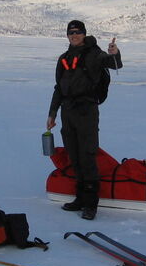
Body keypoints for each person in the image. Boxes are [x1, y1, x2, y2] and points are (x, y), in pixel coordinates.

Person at [46, 19, 122, 220]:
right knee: (74, 155)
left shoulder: (94, 54)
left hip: (87, 110)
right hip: (67, 111)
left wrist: (115, 53)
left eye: (78, 32)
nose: (74, 35)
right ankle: (79, 199)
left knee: (88, 156)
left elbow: (114, 64)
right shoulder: (63, 58)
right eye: (71, 33)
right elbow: (58, 89)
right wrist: (52, 113)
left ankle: (90, 204)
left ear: (84, 33)